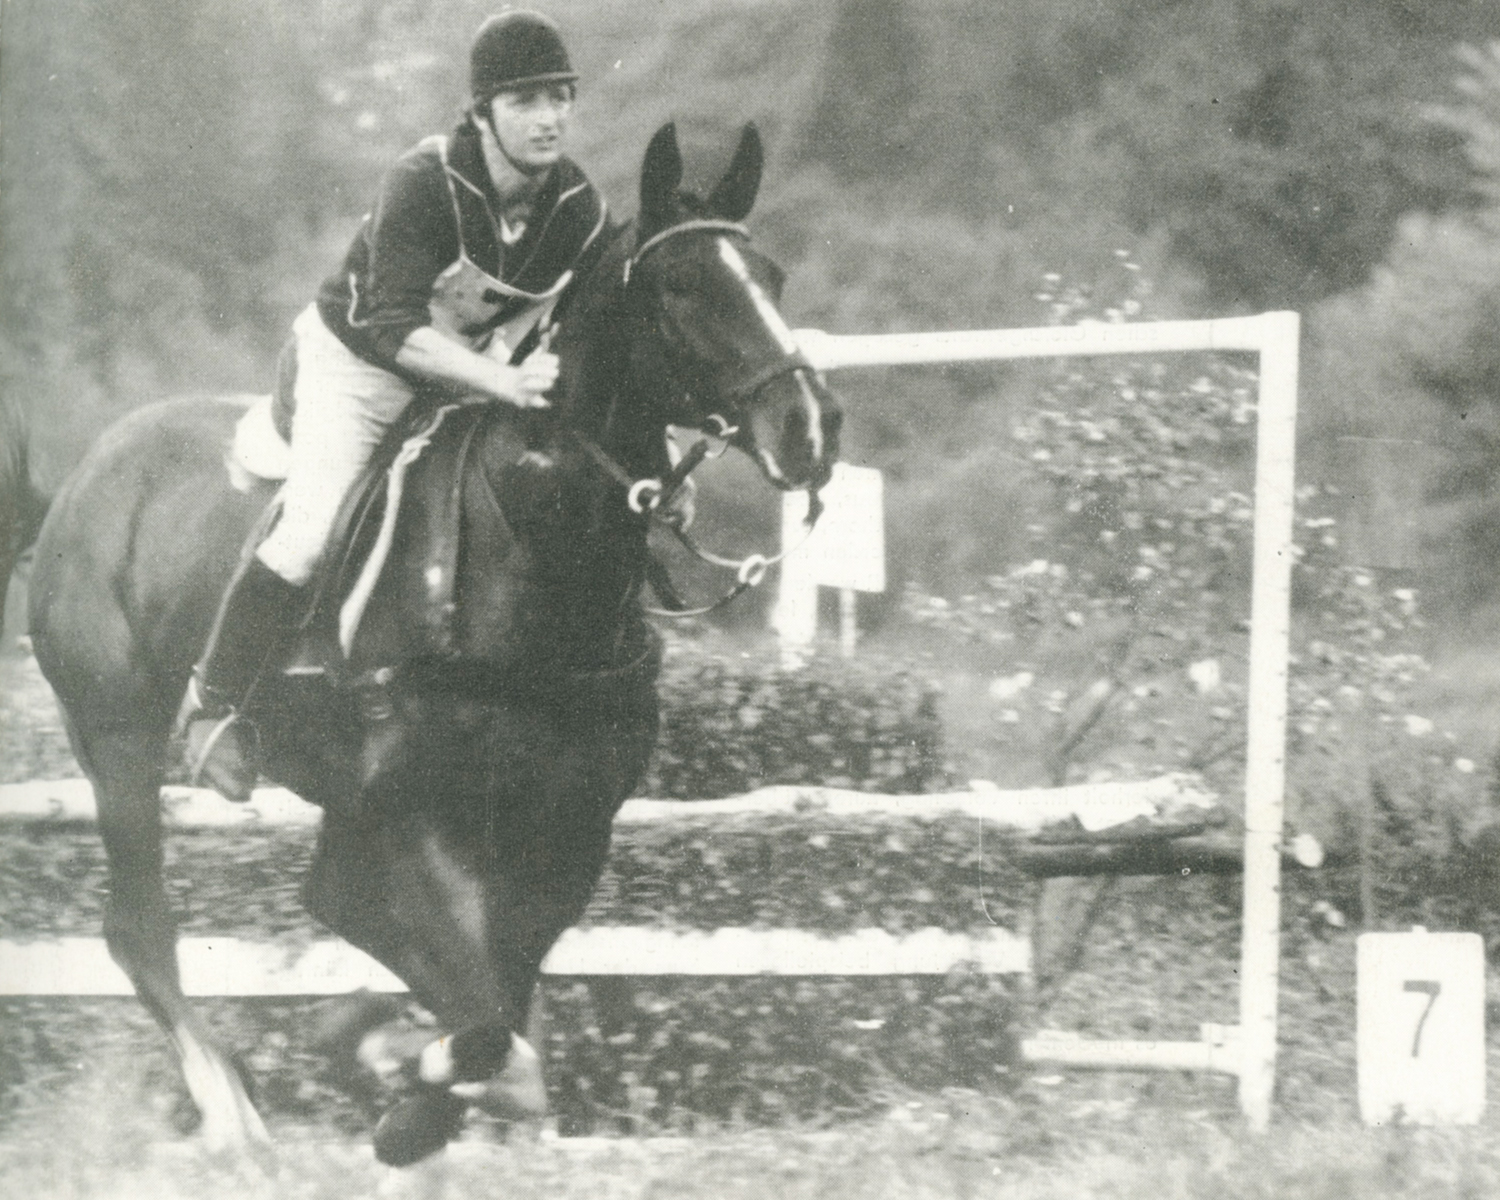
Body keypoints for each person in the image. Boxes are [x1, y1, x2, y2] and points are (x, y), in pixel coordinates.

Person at [181, 9, 609, 802]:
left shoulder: (578, 209)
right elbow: (391, 326)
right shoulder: (426, 179)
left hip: (465, 373)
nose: (549, 118)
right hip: (360, 365)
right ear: (482, 112)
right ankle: (212, 705)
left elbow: (554, 328)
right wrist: (504, 382)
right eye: (524, 101)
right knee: (310, 530)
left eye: (560, 97)